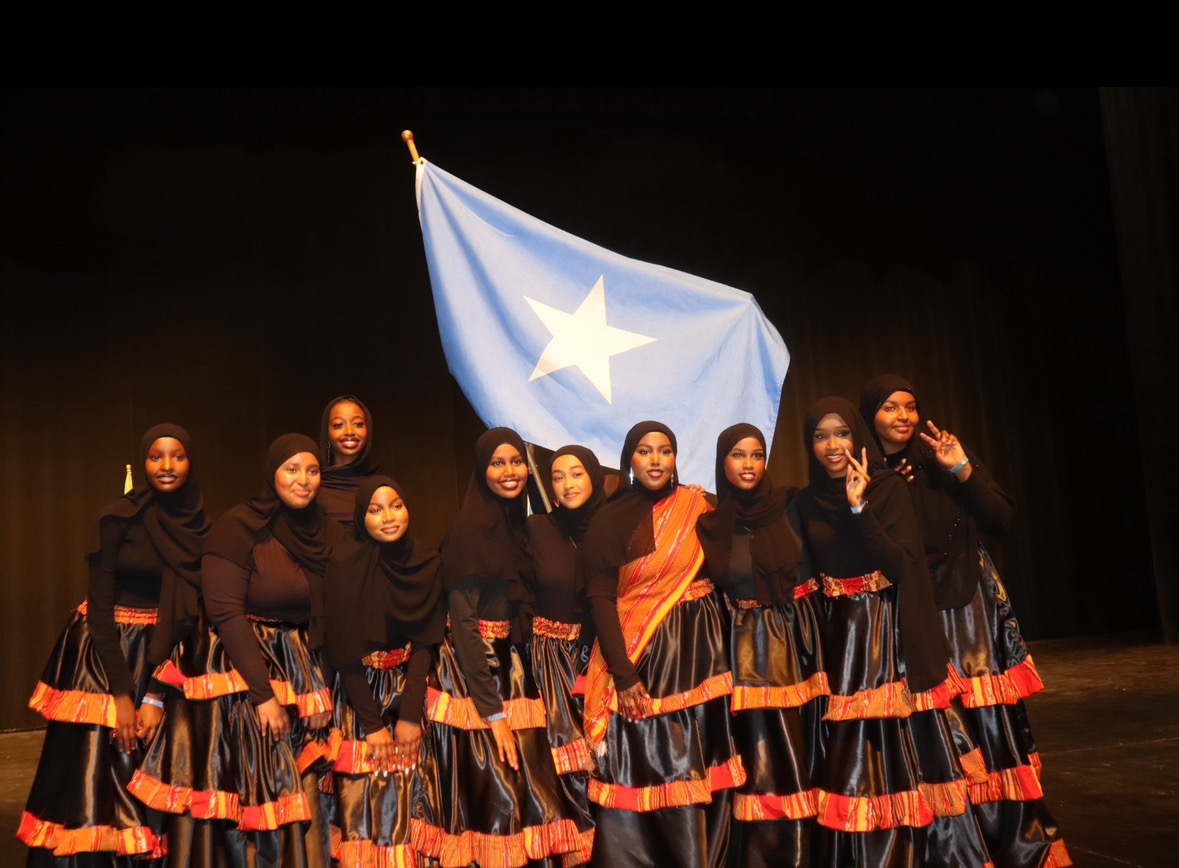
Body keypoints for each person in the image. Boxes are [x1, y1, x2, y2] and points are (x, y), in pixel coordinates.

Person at [861, 375, 1071, 868]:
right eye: (890, 407)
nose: (903, 416)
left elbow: (1001, 520)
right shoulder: (864, 471)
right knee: (934, 731)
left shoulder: (944, 457)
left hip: (966, 608)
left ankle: (1013, 839)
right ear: (870, 415)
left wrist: (961, 469)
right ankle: (954, 848)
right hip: (905, 610)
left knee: (986, 723)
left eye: (910, 406)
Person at [794, 398, 991, 867]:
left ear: (857, 435)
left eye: (842, 433)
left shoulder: (885, 487)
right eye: (820, 436)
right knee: (853, 762)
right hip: (841, 640)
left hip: (888, 632)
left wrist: (859, 508)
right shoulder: (804, 500)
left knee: (907, 750)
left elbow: (901, 564)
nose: (832, 445)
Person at [130, 434, 337, 868]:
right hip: (241, 674)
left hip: (300, 668)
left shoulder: (326, 532)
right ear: (273, 473)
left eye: (312, 470)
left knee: (299, 795)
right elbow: (225, 613)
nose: (303, 480)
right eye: (292, 469)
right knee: (252, 793)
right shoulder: (238, 527)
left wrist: (318, 686)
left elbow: (329, 619)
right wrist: (262, 695)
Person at [20, 423, 209, 866]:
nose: (166, 466)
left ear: (190, 462)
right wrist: (122, 696)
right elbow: (100, 610)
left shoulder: (200, 527)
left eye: (177, 456)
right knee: (96, 775)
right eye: (156, 457)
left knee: (158, 771)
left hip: (165, 654)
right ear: (143, 463)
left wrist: (156, 694)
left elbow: (187, 614)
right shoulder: (117, 518)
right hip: (105, 657)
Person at [579, 421, 744, 868]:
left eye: (665, 450)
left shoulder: (698, 506)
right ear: (629, 460)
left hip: (703, 657)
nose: (656, 460)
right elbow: (601, 599)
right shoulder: (610, 518)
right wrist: (624, 675)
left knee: (706, 768)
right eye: (645, 451)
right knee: (653, 767)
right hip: (644, 660)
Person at [413, 427, 580, 868]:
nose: (510, 471)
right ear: (481, 470)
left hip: (509, 668)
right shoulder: (469, 531)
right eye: (497, 463)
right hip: (473, 679)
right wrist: (493, 715)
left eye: (517, 462)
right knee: (496, 802)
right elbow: (464, 629)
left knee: (529, 800)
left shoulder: (516, 526)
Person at [696, 423, 826, 868]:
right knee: (767, 762)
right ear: (722, 463)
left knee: (815, 751)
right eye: (737, 455)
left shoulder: (794, 504)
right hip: (749, 652)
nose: (748, 464)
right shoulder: (711, 524)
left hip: (806, 643)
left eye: (756, 454)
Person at [324, 475, 446, 868]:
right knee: (367, 813)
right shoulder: (343, 564)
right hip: (362, 695)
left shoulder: (427, 562)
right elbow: (343, 652)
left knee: (415, 807)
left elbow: (425, 642)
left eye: (396, 506)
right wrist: (373, 725)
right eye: (375, 510)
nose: (388, 517)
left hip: (409, 690)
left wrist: (409, 715)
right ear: (361, 517)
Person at [525, 445, 606, 863]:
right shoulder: (537, 528)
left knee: (607, 758)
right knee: (566, 763)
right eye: (557, 477)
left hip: (603, 655)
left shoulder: (613, 526)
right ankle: (576, 852)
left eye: (576, 473)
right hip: (550, 660)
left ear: (594, 476)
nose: (567, 484)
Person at [316, 395, 378, 527]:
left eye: (358, 424)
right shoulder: (313, 487)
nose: (349, 432)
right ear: (327, 433)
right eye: (338, 425)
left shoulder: (380, 487)